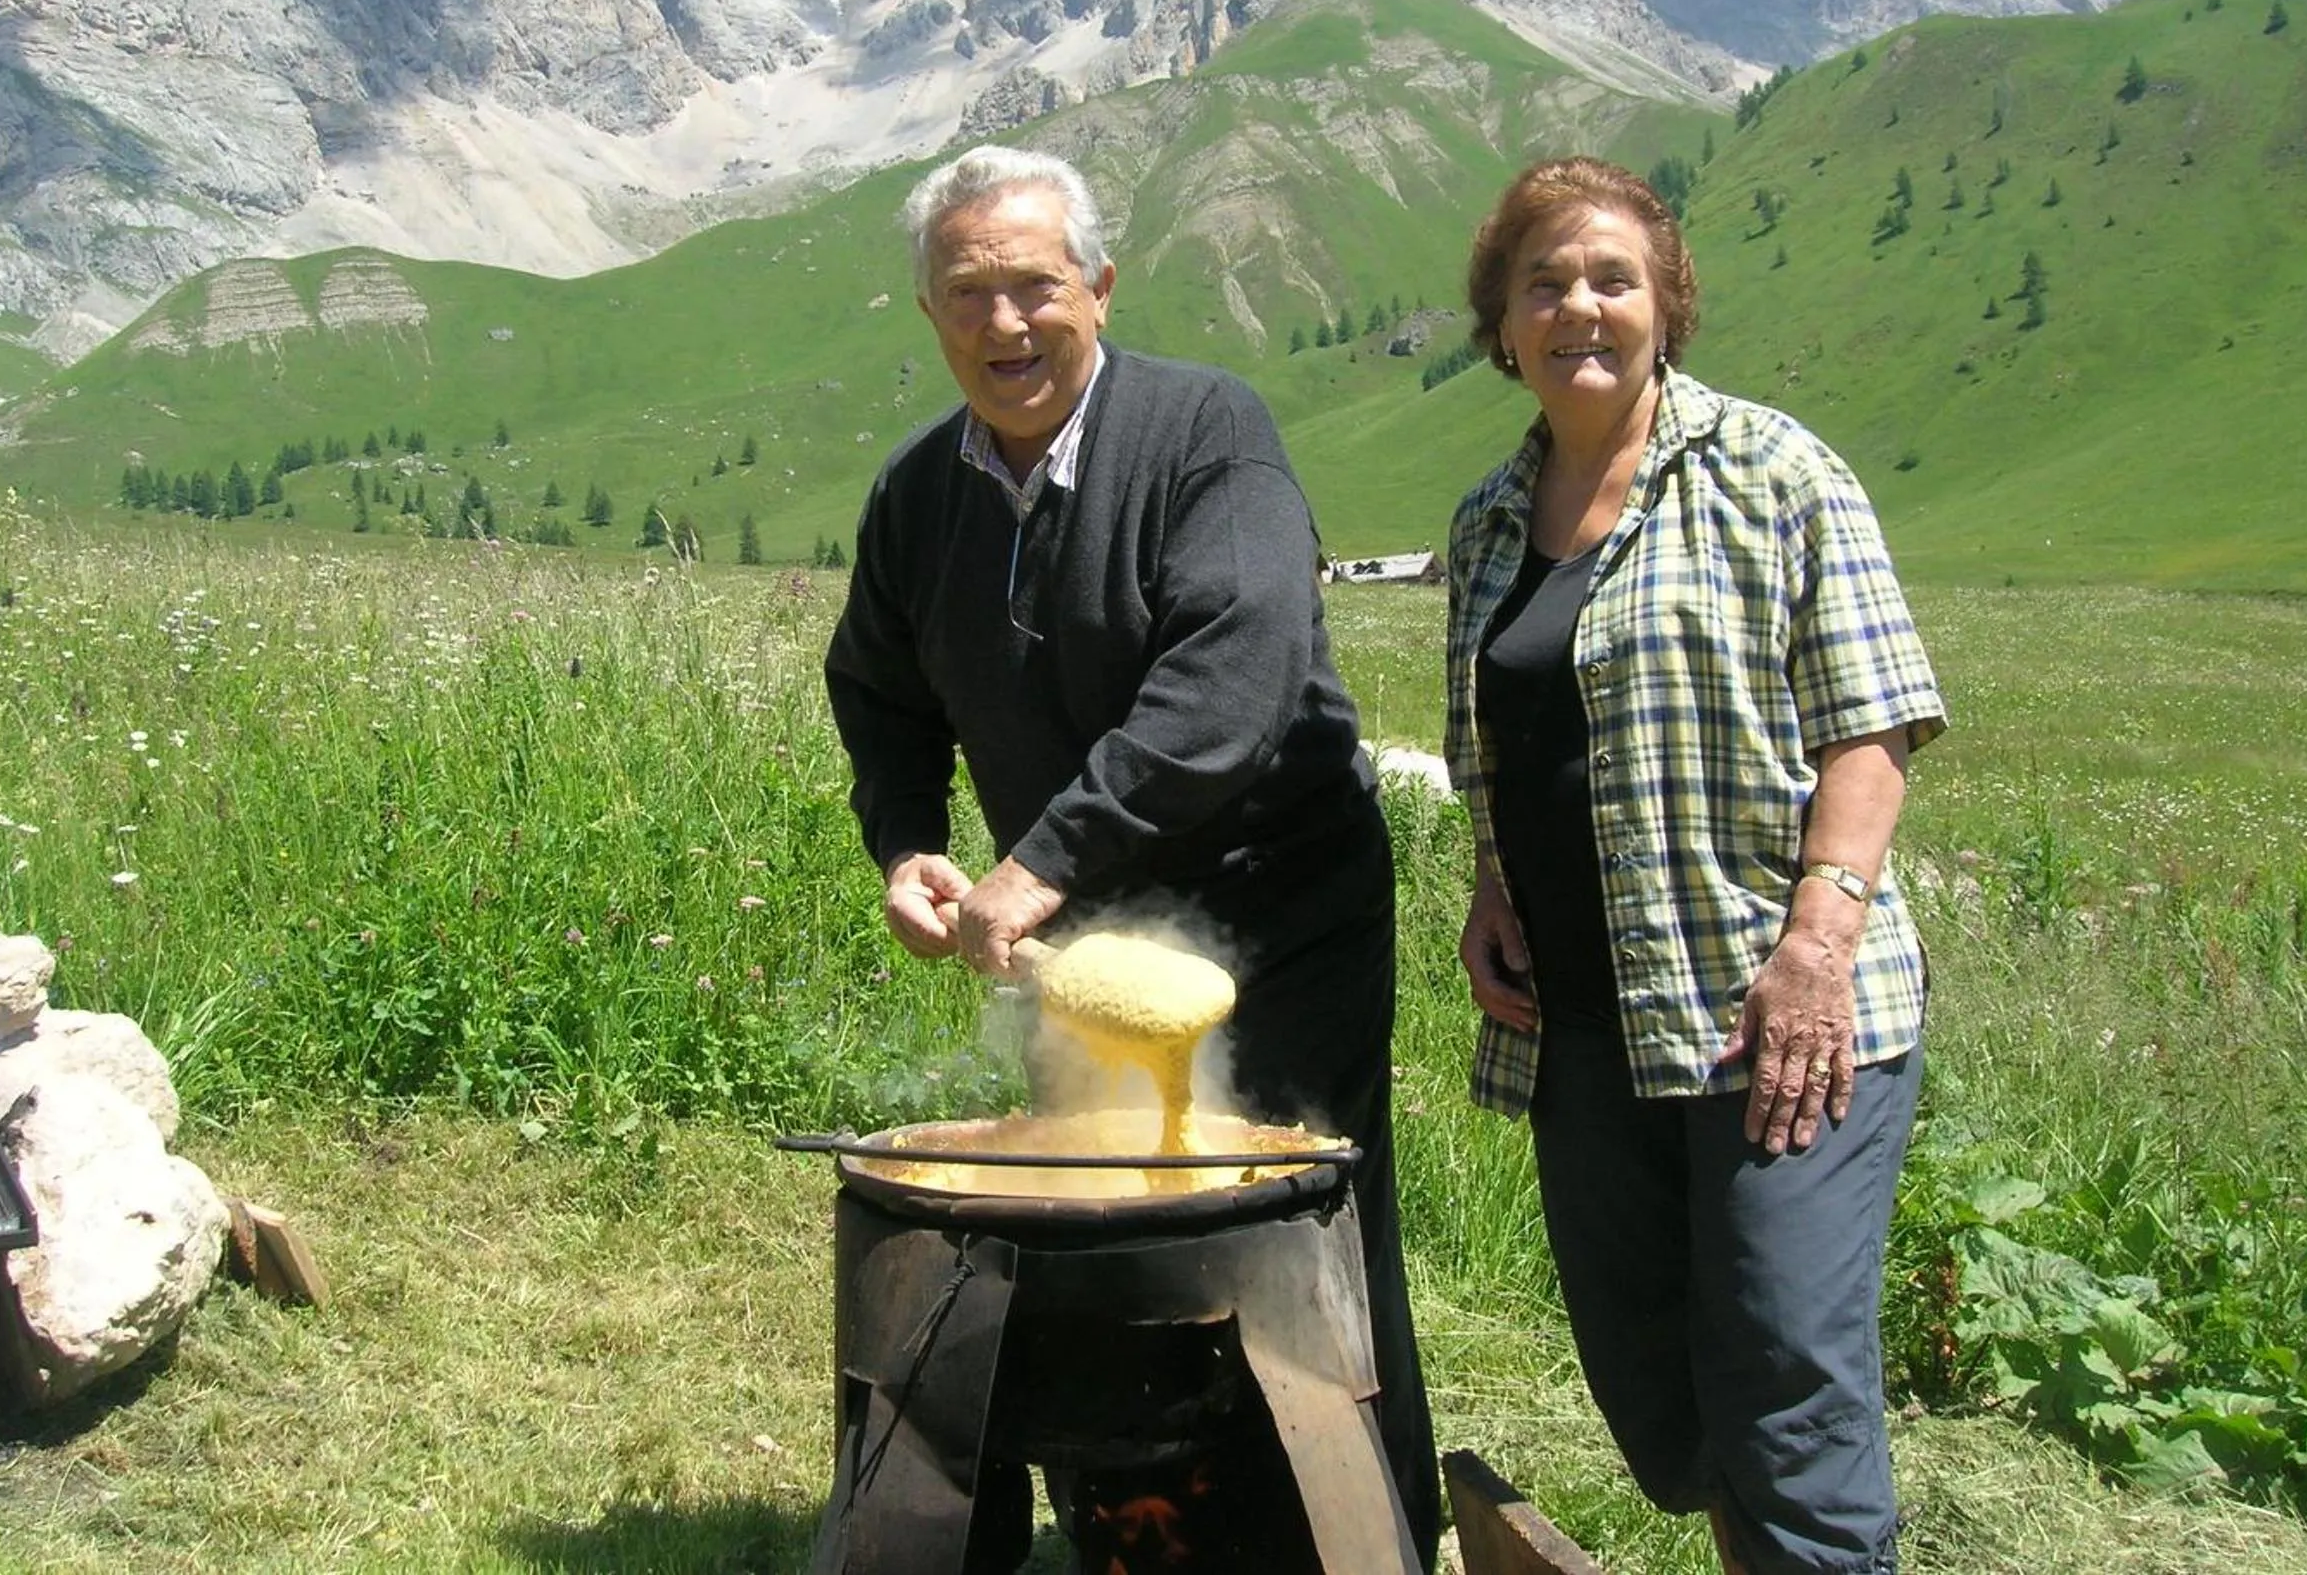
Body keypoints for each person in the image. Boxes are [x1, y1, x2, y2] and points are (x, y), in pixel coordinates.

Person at [824, 143, 1440, 1565]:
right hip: (1086, 956)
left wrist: (1042, 856)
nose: (1005, 324)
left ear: (1098, 287)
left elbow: (1243, 665)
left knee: (1282, 1236)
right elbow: (878, 687)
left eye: (1035, 286)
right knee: (1105, 1224)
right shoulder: (920, 497)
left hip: (1270, 927)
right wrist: (910, 841)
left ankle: (1335, 1534)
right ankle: (1135, 1526)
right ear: (930, 315)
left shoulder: (1207, 435)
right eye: (968, 294)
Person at [1441, 157, 1946, 1575]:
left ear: (1667, 305)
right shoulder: (1490, 519)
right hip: (1589, 1029)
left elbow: (1874, 721)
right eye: (1544, 282)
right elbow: (1515, 734)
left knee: (1784, 1367)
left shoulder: (1773, 472)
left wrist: (1820, 946)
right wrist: (1494, 884)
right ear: (1504, 323)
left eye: (1612, 277)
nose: (1579, 305)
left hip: (1776, 1013)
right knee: (1657, 1382)